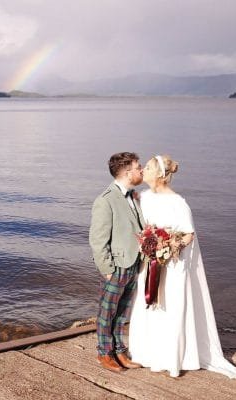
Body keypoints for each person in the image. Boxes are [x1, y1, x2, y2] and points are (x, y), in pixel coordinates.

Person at [128, 155, 236, 381]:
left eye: (147, 167)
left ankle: (173, 359)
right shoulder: (144, 197)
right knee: (150, 305)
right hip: (151, 262)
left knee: (171, 307)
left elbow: (189, 234)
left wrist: (168, 247)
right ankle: (147, 353)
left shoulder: (178, 203)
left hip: (173, 264)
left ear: (159, 174)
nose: (143, 170)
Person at [89, 152, 145, 372]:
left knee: (123, 313)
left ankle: (119, 350)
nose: (141, 170)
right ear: (127, 172)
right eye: (138, 167)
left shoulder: (131, 195)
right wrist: (107, 269)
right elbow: (97, 239)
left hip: (134, 263)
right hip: (117, 267)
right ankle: (105, 353)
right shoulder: (105, 200)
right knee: (107, 312)